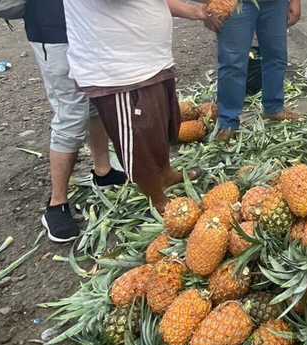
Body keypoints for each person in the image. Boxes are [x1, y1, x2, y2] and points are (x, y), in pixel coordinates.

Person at [61, 0, 220, 214]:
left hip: (150, 61)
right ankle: (156, 198)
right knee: (139, 140)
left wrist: (194, 11)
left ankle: (165, 175)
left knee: (159, 127)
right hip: (121, 70)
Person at [24, 0, 128, 243]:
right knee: (70, 115)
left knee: (95, 102)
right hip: (54, 30)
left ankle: (103, 171)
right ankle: (56, 203)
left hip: (88, 26)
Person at [215, 0, 302, 140]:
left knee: (276, 55)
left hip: (275, 3)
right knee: (232, 62)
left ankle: (273, 107)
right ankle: (227, 122)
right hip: (236, 3)